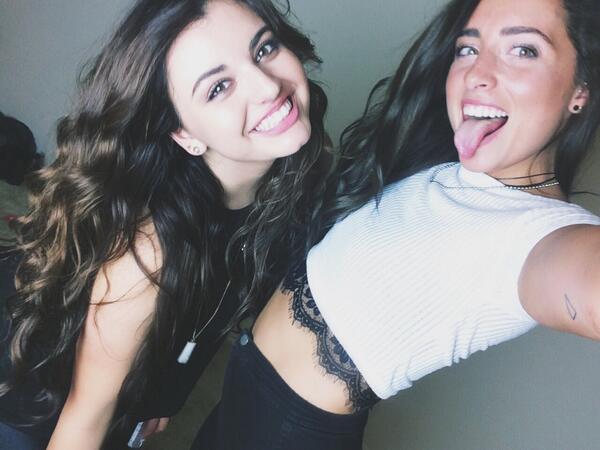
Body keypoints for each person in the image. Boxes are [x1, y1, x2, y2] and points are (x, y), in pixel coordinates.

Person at [192, 0, 600, 448]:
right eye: (467, 49)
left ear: (581, 88)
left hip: (288, 432)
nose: (477, 73)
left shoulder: (544, 235)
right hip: (248, 383)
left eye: (523, 50)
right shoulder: (452, 170)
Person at [0, 0, 330, 448]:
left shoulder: (288, 175)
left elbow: (213, 304)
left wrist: (166, 393)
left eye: (264, 49)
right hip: (28, 396)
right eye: (218, 87)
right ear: (185, 135)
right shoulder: (147, 250)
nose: (267, 86)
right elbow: (84, 416)